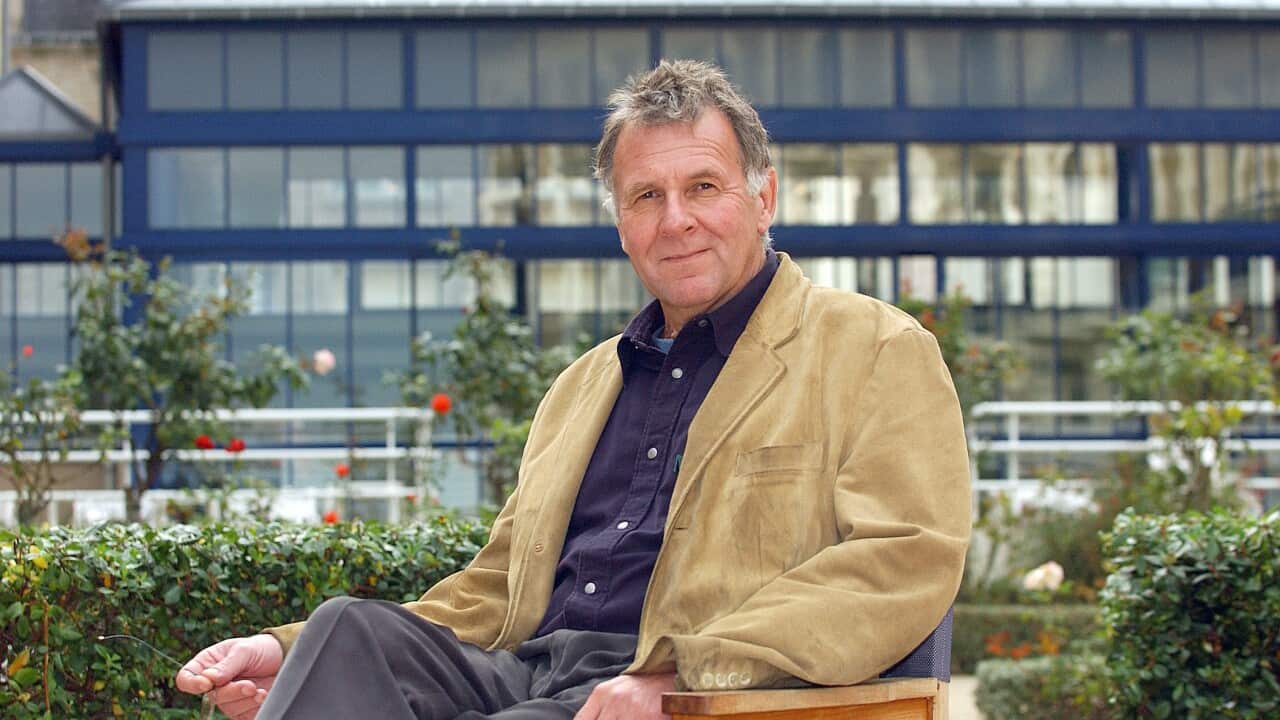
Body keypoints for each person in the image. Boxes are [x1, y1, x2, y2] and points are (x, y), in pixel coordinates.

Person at [176, 59, 971, 720]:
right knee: (347, 631)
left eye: (703, 187)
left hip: (689, 691)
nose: (676, 220)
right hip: (527, 671)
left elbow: (903, 559)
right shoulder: (582, 386)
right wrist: (292, 654)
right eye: (647, 196)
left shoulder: (873, 350)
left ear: (763, 199)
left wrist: (678, 675)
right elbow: (494, 589)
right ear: (621, 225)